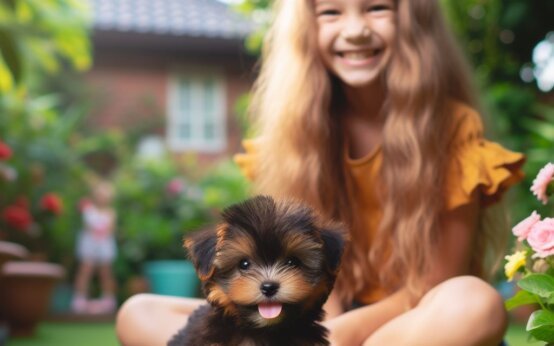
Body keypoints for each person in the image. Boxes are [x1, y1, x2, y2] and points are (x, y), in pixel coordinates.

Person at [116, 0, 525, 344]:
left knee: (475, 301)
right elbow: (303, 275)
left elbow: (434, 285)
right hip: (305, 317)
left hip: (411, 324)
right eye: (330, 12)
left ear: (415, 20)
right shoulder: (293, 138)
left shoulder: (453, 129)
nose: (355, 30)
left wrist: (336, 335)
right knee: (140, 312)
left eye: (377, 7)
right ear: (305, 29)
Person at [72, 179, 118, 314]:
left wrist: (102, 234)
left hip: (104, 246)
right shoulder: (88, 210)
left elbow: (110, 228)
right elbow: (88, 226)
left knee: (106, 272)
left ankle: (108, 298)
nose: (102, 198)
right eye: (100, 195)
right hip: (89, 245)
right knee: (85, 270)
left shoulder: (110, 213)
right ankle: (79, 298)